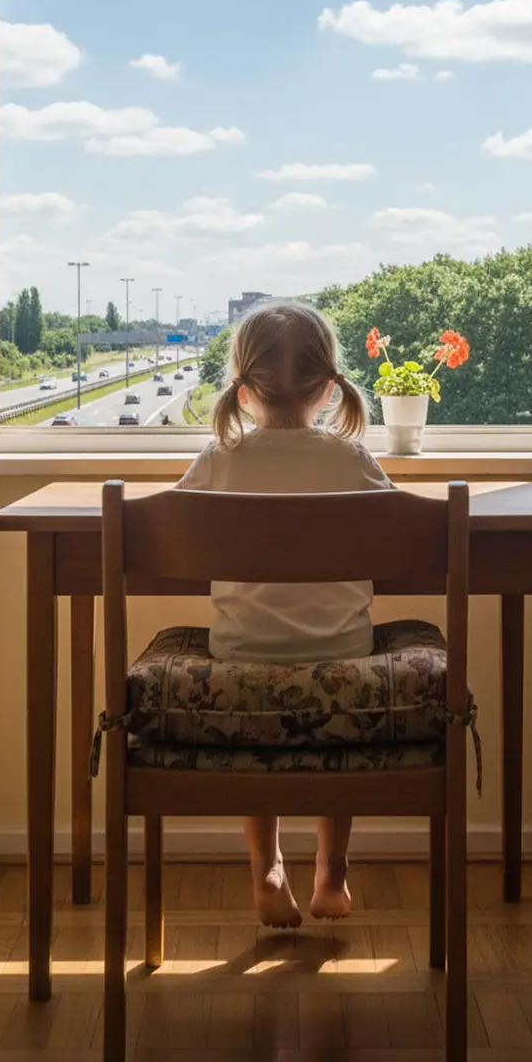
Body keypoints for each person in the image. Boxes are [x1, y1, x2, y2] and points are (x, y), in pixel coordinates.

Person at [176, 301, 391, 928]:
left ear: (241, 391)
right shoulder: (352, 459)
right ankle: (332, 870)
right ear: (330, 390)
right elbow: (395, 530)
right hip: (343, 654)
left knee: (257, 722)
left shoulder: (218, 459)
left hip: (240, 653)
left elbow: (176, 538)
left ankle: (267, 868)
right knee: (337, 732)